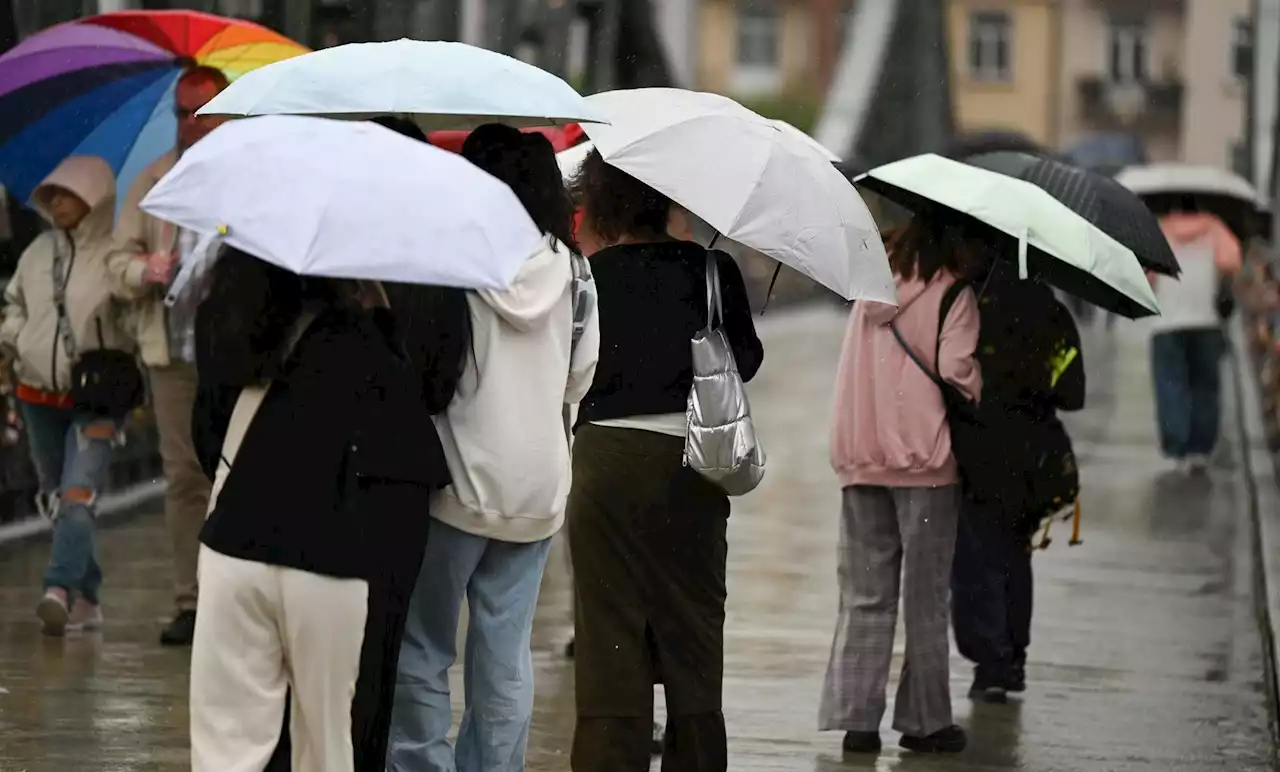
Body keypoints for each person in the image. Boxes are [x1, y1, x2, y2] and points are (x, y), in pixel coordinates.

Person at [187, 247, 451, 771]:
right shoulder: (358, 334)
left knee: (227, 748)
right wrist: (379, 313)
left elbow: (207, 432)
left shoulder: (223, 313)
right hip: (337, 552)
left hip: (234, 542)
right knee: (331, 742)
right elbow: (411, 398)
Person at [388, 124, 600, 772]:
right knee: (504, 655)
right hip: (537, 487)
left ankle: (422, 765)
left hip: (455, 481)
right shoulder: (575, 270)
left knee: (423, 648)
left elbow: (428, 365)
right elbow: (581, 376)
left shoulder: (453, 260)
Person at [564, 149, 763, 772]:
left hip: (603, 461)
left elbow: (568, 369)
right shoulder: (712, 270)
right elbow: (745, 363)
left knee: (609, 632)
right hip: (691, 462)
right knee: (693, 627)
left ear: (600, 199)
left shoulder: (588, 276)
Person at [821, 216, 982, 755]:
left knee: (865, 596)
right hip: (927, 464)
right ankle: (926, 722)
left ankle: (857, 721)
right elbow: (958, 373)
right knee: (925, 597)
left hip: (861, 459)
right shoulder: (953, 295)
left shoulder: (870, 286)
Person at [107, 65, 229, 646]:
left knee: (232, 474)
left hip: (235, 351)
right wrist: (144, 269)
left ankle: (234, 600)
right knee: (184, 478)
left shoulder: (246, 177)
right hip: (173, 349)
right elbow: (117, 259)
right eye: (182, 112)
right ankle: (192, 598)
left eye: (201, 110)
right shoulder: (155, 181)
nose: (190, 124)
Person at [0, 155, 135, 636]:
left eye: (68, 193)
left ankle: (58, 588)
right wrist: (18, 336)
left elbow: (134, 318)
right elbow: (13, 305)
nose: (57, 202)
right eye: (51, 194)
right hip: (36, 397)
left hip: (97, 401)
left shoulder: (115, 255)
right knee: (59, 499)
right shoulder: (36, 254)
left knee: (78, 496)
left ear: (94, 198)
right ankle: (89, 599)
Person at [949, 257, 1085, 704]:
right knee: (1015, 555)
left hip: (979, 451)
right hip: (1033, 457)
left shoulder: (970, 304)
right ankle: (1012, 659)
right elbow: (1073, 393)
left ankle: (991, 661)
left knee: (980, 556)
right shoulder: (1051, 311)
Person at [1149, 199, 1243, 474]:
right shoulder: (1215, 228)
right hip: (1205, 321)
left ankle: (1177, 448)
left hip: (1166, 323)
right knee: (1204, 386)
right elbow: (1232, 261)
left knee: (1170, 386)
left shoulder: (1160, 232)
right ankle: (1201, 449)